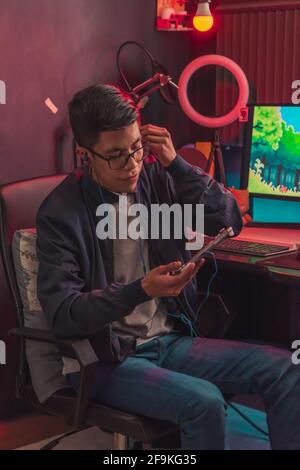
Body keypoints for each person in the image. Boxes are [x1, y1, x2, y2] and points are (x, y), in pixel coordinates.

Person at [36, 83, 300, 450]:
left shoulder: (154, 178)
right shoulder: (62, 212)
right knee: (204, 401)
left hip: (171, 342)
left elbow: (228, 220)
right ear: (85, 153)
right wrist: (140, 290)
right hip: (105, 359)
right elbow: (65, 313)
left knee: (287, 369)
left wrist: (176, 164)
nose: (130, 165)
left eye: (135, 148)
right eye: (115, 156)